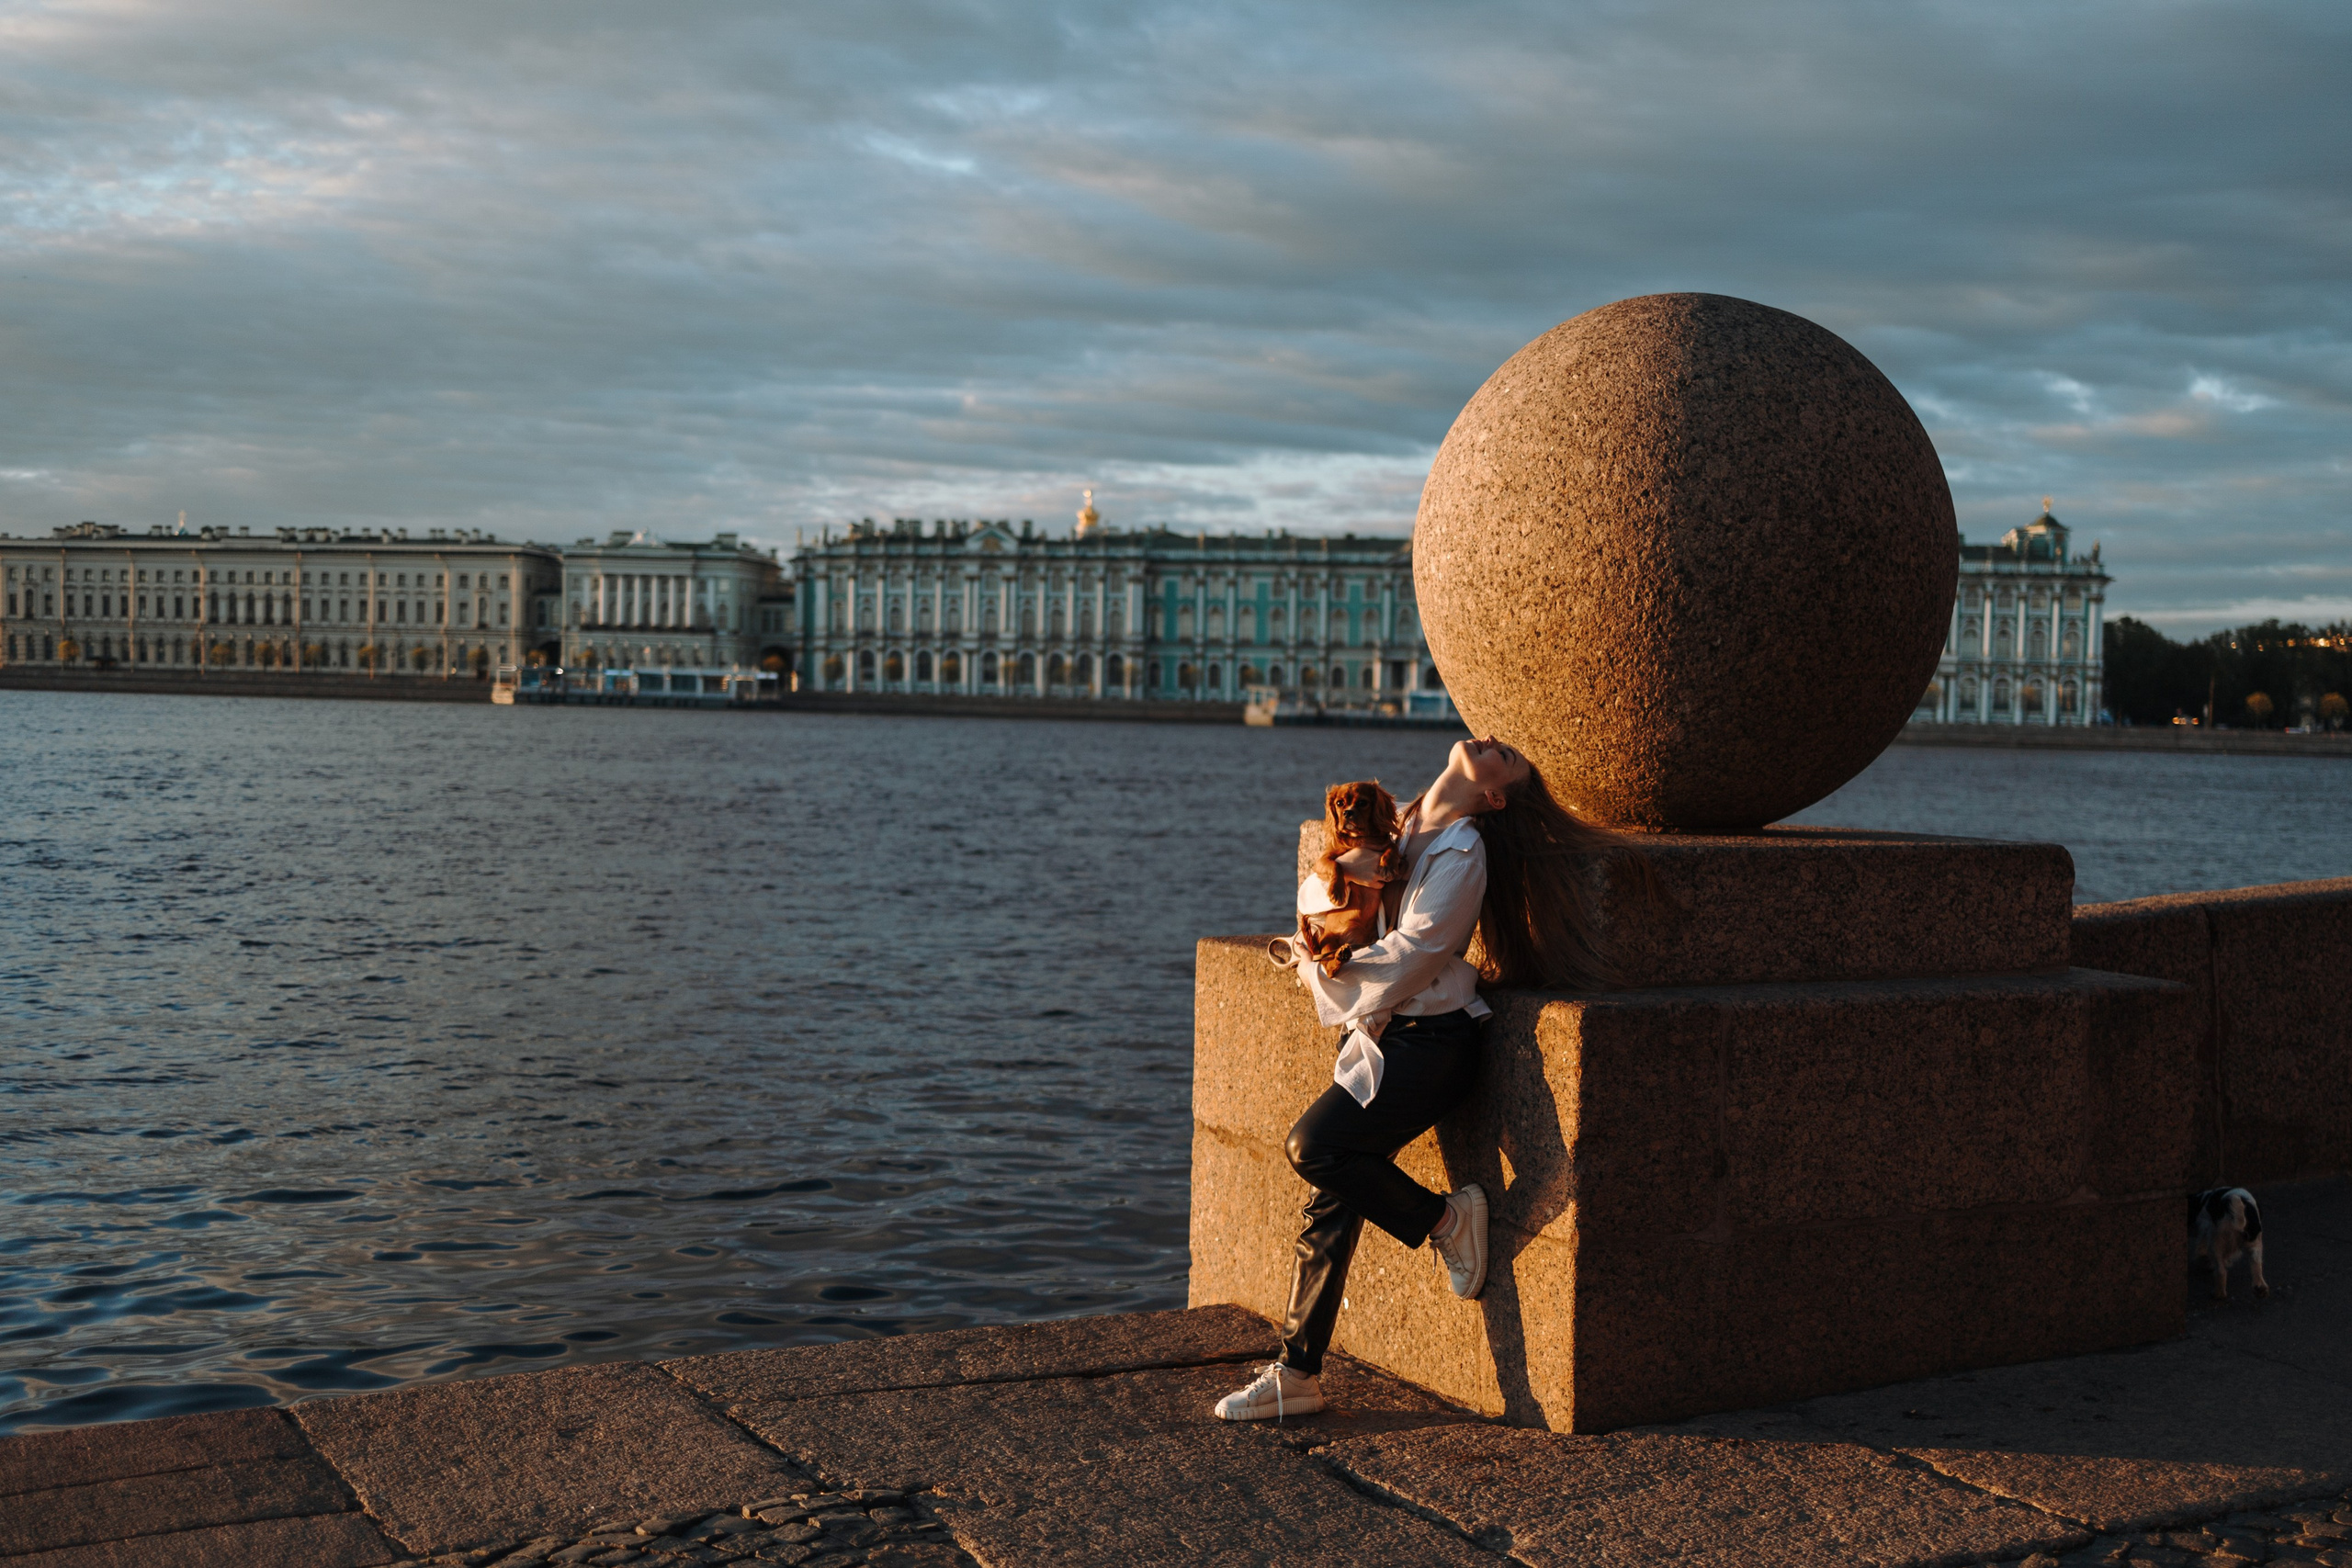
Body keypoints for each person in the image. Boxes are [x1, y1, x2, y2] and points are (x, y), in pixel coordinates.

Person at [1215, 734, 1617, 1421]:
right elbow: (1318, 890)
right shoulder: (1391, 817)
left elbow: (1413, 957)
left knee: (1315, 1147)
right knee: (1332, 1188)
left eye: (1509, 759)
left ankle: (1446, 1217)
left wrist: (1315, 967)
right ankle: (1298, 1371)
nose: (1496, 742)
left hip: (1435, 1046)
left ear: (1494, 795)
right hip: (1384, 1039)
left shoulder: (1463, 850)